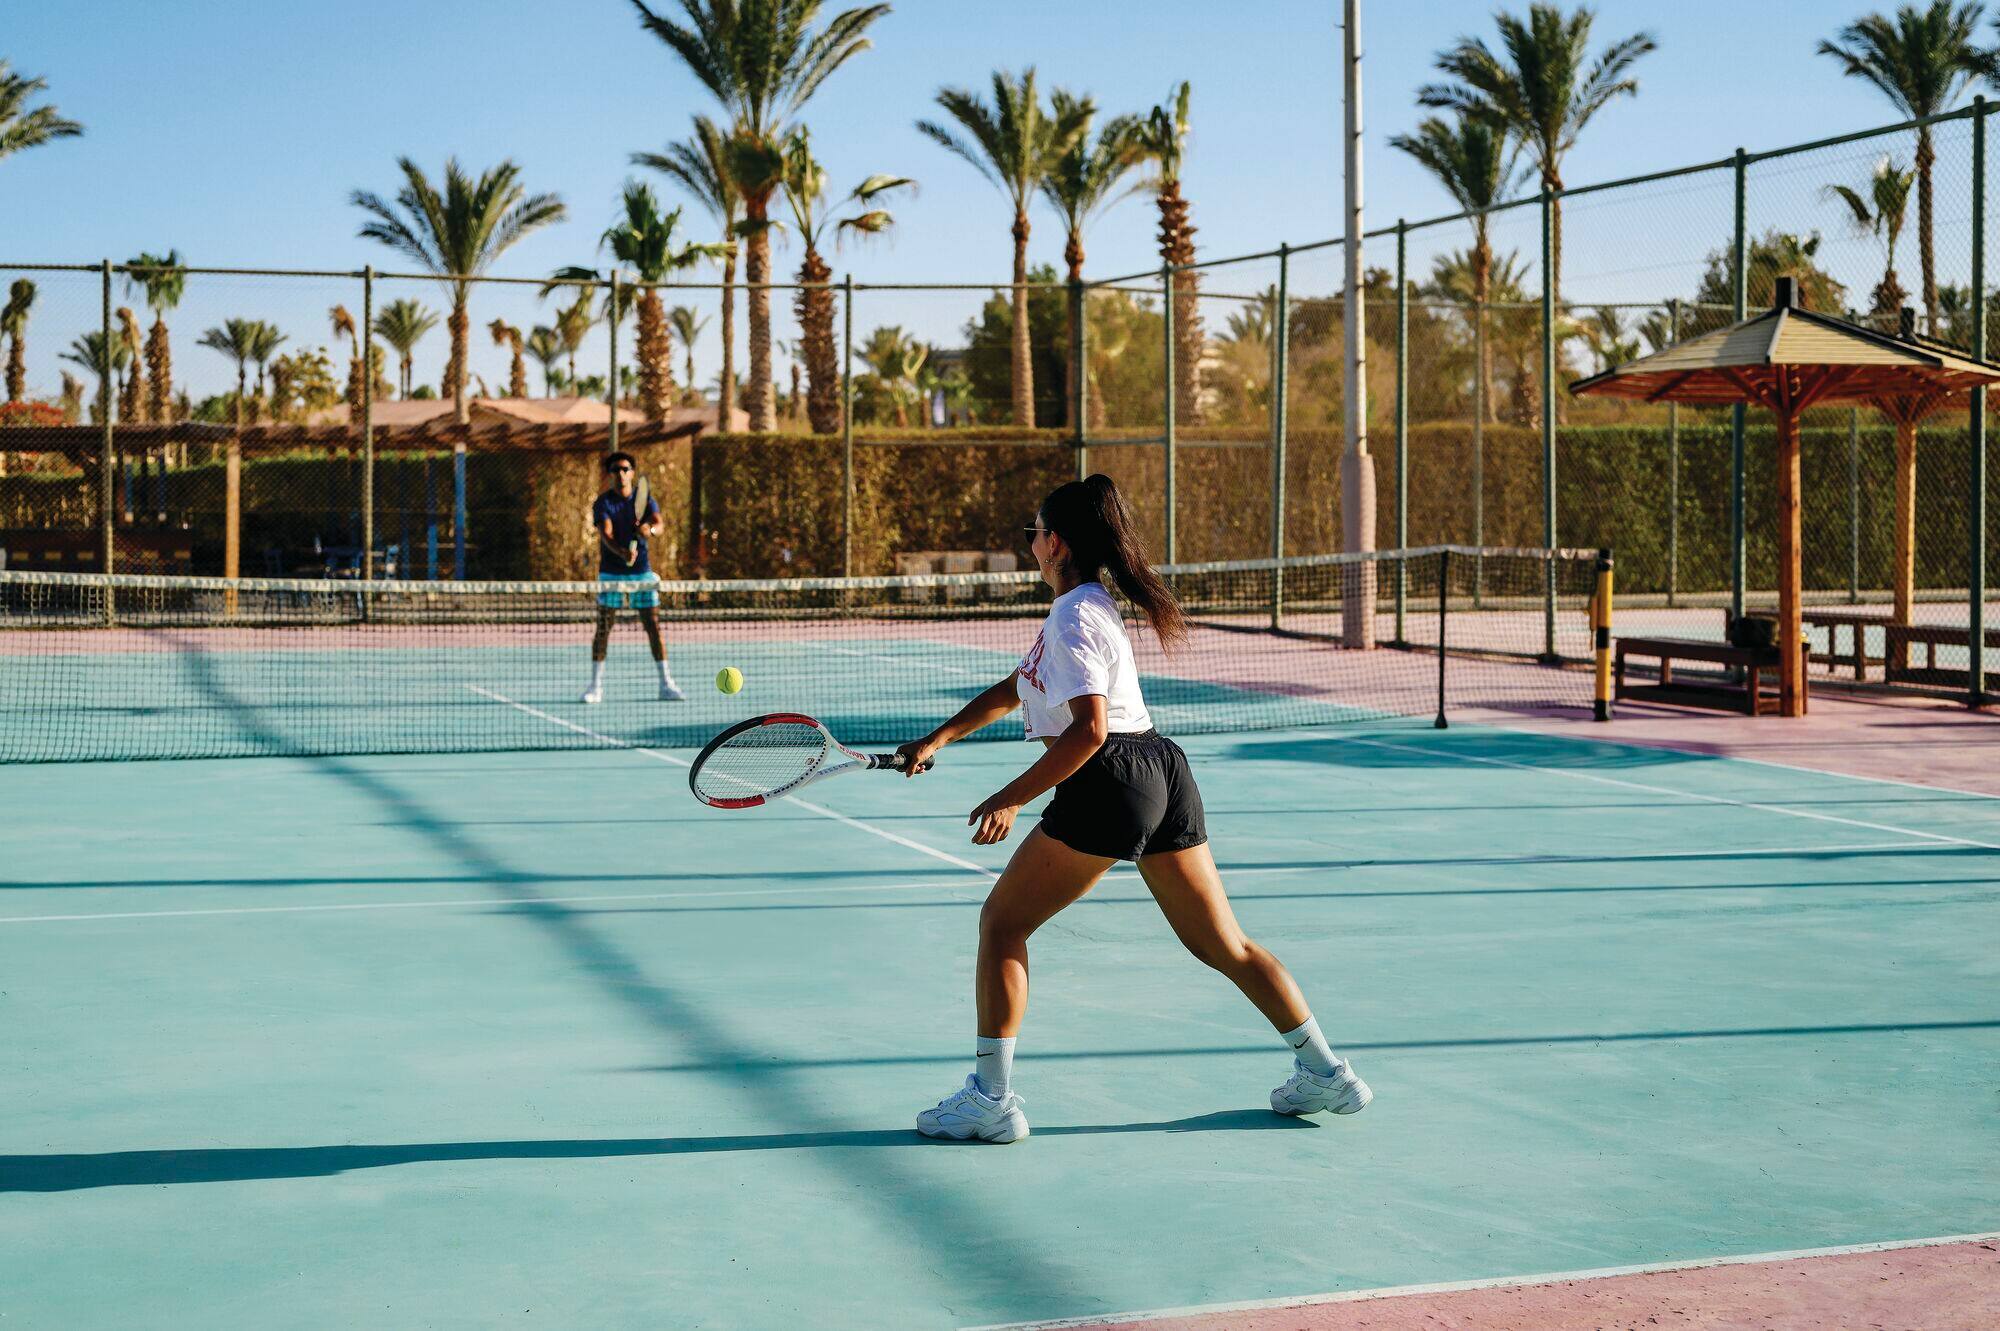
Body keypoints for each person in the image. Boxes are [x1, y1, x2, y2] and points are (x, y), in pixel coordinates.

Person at [897, 474, 1371, 1144]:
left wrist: (1012, 796)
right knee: (1224, 944)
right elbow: (1016, 688)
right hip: (1162, 770)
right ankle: (1324, 1068)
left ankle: (990, 1098)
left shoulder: (1074, 616)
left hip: (1111, 776)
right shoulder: (1088, 606)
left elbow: (1089, 729)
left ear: (1055, 543)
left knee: (1002, 924)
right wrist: (938, 737)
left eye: (1033, 531)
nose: (1030, 541)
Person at [583, 452, 682, 704]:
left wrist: (650, 530)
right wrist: (621, 551)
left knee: (653, 625)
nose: (620, 473)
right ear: (610, 474)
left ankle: (666, 684)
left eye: (625, 469)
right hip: (611, 573)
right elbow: (606, 534)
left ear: (632, 472)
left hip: (641, 572)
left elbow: (659, 524)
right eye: (615, 470)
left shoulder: (645, 498)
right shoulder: (603, 502)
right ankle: (595, 686)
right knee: (604, 627)